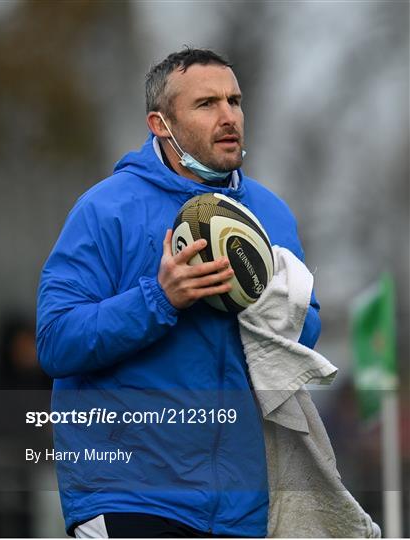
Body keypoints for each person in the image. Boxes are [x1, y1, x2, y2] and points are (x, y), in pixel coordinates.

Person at [36, 48, 321, 538]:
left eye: (235, 100)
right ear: (160, 124)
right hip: (128, 492)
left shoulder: (271, 215)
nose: (229, 116)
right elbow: (56, 340)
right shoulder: (105, 209)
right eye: (207, 104)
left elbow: (304, 334)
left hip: (243, 508)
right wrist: (160, 298)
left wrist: (270, 305)